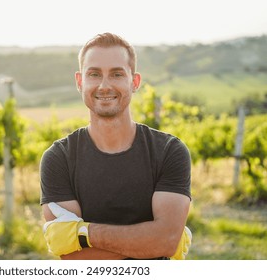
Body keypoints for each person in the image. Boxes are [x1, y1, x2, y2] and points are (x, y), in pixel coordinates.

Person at [40, 32, 192, 260]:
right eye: (94, 74)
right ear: (80, 82)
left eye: (117, 74)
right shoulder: (58, 159)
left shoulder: (169, 151)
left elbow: (166, 243)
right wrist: (149, 241)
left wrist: (82, 233)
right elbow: (73, 258)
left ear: (135, 82)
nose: (104, 85)